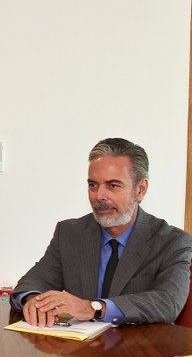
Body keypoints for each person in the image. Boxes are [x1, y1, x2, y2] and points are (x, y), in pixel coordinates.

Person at [12, 137, 192, 326]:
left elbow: (168, 302)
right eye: (93, 185)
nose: (99, 196)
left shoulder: (173, 242)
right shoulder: (69, 233)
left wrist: (95, 308)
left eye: (113, 185)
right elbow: (33, 281)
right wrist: (33, 300)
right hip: (80, 351)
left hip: (139, 351)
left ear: (140, 189)